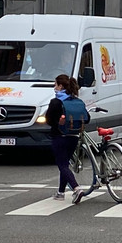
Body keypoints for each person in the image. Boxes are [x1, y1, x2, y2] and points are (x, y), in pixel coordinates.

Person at [45, 74, 86, 203]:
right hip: (73, 137)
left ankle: (76, 188)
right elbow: (87, 118)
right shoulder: (76, 101)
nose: (54, 87)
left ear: (61, 86)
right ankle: (61, 192)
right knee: (65, 164)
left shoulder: (55, 102)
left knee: (62, 165)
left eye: (55, 84)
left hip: (59, 136)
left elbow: (49, 120)